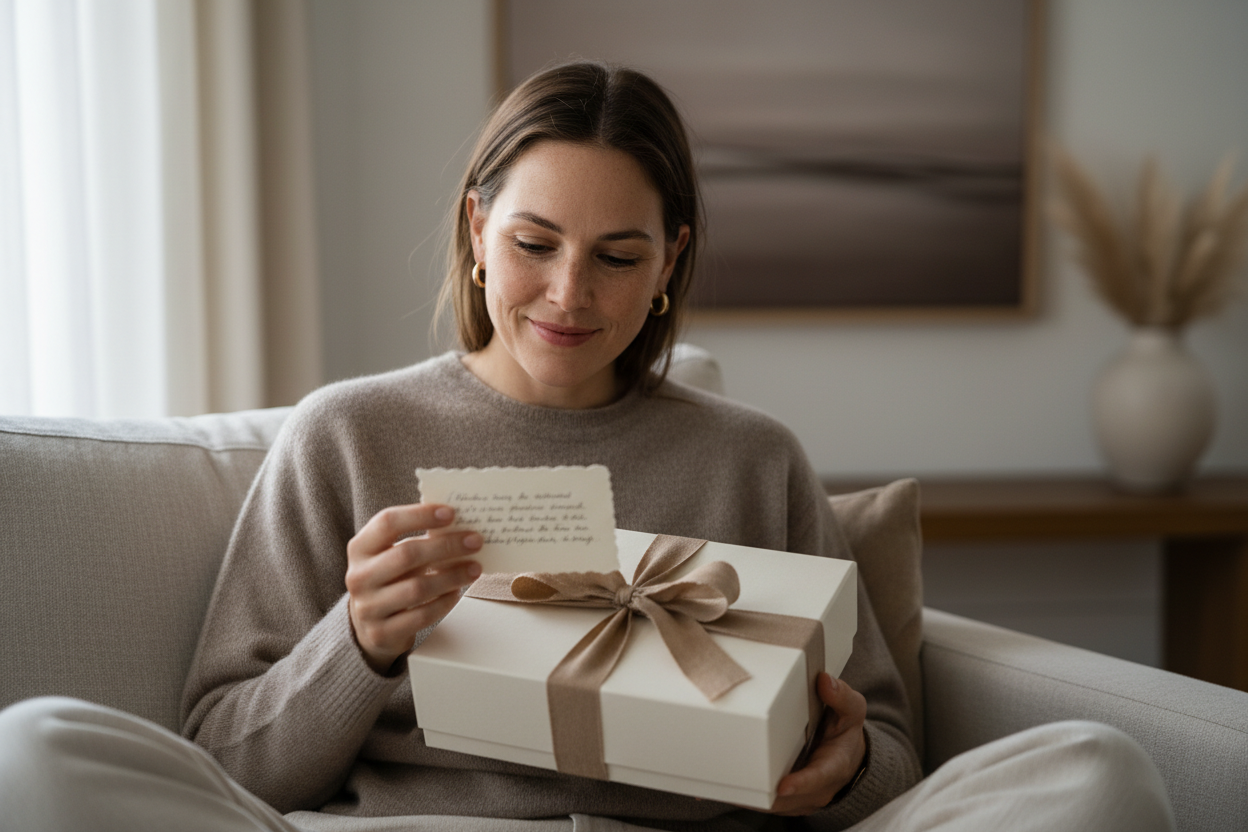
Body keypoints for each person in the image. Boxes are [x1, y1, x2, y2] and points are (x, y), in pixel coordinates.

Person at [0, 62, 1174, 832]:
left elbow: (895, 753)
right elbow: (222, 757)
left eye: (619, 255)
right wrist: (356, 642)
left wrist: (841, 765)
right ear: (475, 232)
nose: (570, 293)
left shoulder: (753, 459)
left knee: (1095, 770)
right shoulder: (348, 435)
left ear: (671, 262)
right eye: (534, 242)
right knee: (39, 746)